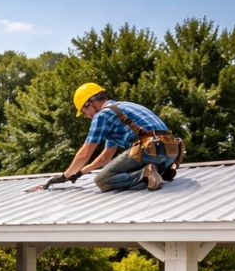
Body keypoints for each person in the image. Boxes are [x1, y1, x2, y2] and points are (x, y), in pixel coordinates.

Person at [44, 82, 184, 193]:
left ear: (90, 103)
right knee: (128, 164)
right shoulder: (122, 108)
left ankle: (145, 174)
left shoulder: (102, 115)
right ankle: (158, 171)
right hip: (171, 152)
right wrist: (79, 173)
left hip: (149, 150)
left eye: (84, 111)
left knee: (102, 179)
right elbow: (106, 156)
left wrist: (65, 176)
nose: (87, 116)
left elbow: (85, 153)